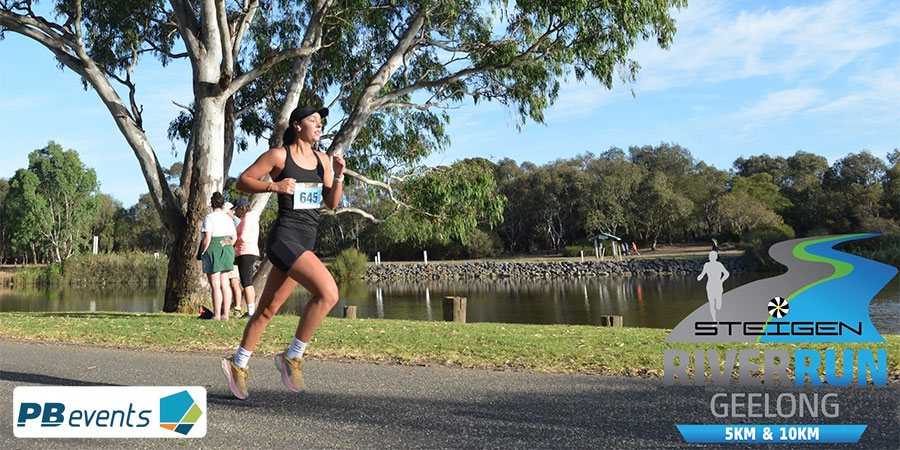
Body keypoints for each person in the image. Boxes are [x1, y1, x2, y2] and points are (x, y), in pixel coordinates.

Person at [222, 105, 345, 400]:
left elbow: (331, 203)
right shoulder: (280, 155)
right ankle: (293, 357)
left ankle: (237, 364)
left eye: (320, 121)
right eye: (313, 120)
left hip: (305, 241)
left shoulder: (323, 160)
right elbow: (242, 181)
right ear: (297, 125)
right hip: (284, 238)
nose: (319, 125)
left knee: (267, 310)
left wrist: (338, 176)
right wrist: (274, 186)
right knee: (329, 293)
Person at [200, 192, 237, 321]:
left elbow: (207, 237)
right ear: (222, 204)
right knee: (225, 283)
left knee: (215, 285)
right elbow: (233, 238)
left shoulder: (209, 217)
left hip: (213, 248)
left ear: (212, 204)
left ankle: (216, 315)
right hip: (227, 249)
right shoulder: (228, 218)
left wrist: (203, 251)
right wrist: (225, 244)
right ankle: (225, 314)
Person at [232, 198, 260, 318]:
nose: (236, 212)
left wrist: (232, 242)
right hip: (249, 251)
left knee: (247, 283)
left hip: (245, 252)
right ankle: (252, 310)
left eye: (237, 209)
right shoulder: (249, 218)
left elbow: (243, 237)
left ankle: (251, 312)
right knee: (248, 282)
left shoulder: (248, 218)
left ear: (241, 208)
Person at [697, 250, 730, 321]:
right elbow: (703, 274)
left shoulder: (719, 265)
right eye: (710, 256)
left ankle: (719, 310)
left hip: (718, 285)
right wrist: (700, 277)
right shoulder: (707, 265)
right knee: (711, 304)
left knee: (718, 306)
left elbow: (726, 273)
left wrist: (721, 281)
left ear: (716, 257)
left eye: (712, 256)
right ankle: (714, 321)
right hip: (710, 285)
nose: (711, 257)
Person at [224, 202, 243, 316]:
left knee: (234, 282)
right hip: (225, 255)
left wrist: (221, 242)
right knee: (224, 283)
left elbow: (235, 239)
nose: (232, 212)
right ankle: (224, 308)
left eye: (231, 210)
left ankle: (237, 308)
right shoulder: (225, 221)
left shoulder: (236, 222)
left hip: (233, 256)